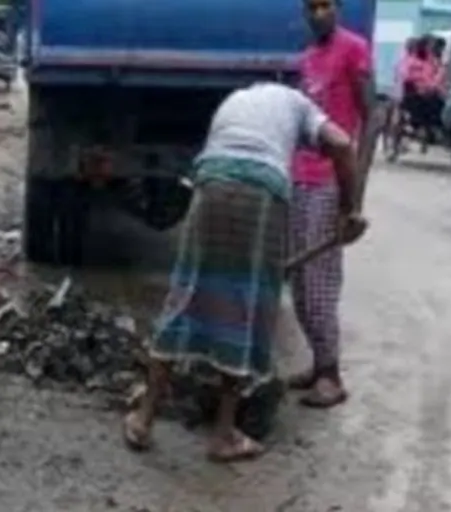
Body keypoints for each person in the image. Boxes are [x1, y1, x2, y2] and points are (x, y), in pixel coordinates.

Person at [122, 82, 366, 463]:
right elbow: (342, 144)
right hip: (261, 188)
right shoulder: (302, 107)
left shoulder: (237, 101)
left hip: (211, 181)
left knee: (185, 294)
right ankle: (224, 434)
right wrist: (348, 211)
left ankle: (143, 417)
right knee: (247, 308)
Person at [290, 0, 373, 409]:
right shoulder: (306, 59)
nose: (320, 12)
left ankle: (332, 375)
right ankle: (318, 361)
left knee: (321, 281)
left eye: (327, 5)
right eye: (312, 6)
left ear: (339, 7)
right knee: (299, 282)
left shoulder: (353, 50)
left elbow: (370, 117)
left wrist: (354, 198)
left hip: (331, 180)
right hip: (299, 177)